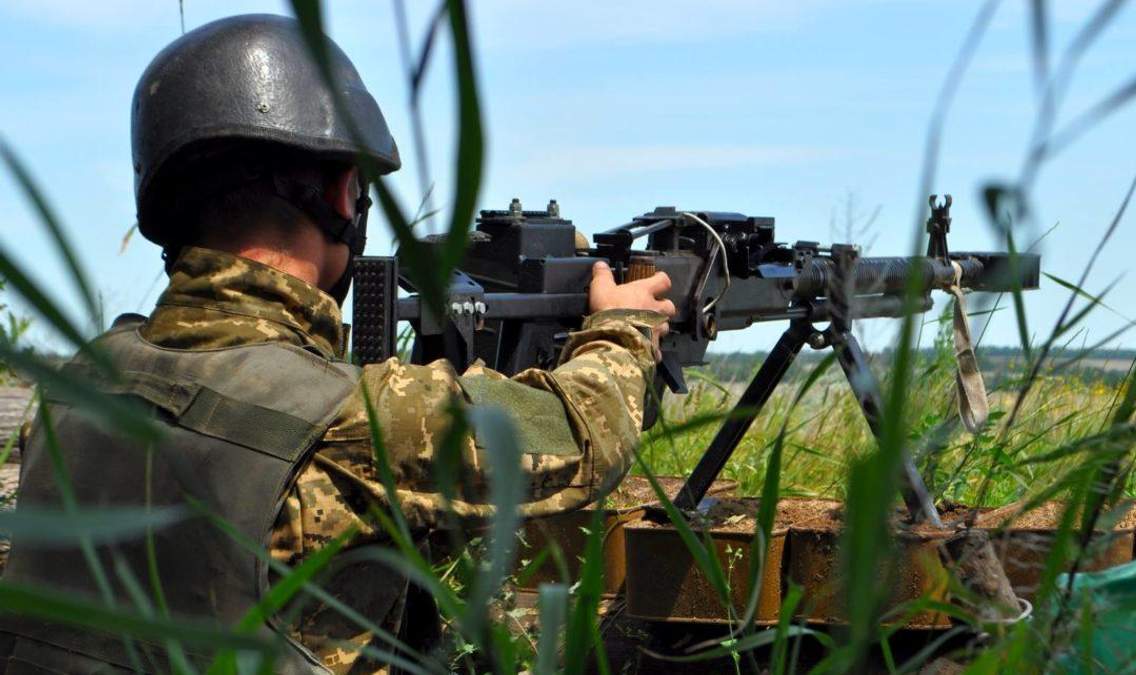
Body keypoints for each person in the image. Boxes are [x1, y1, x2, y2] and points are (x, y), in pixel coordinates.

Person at [0, 14, 674, 674]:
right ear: (343, 194)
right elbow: (583, 432)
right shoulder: (357, 420)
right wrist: (623, 327)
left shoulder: (76, 389)